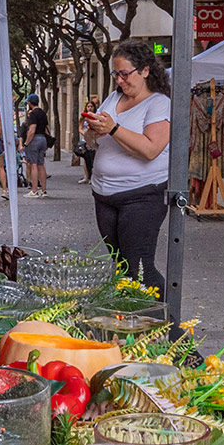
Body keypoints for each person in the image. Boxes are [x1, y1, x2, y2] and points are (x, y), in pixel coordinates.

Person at [82, 42, 173, 292]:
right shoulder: (114, 98)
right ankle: (131, 322)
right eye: (116, 74)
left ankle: (170, 327)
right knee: (122, 267)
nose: (120, 80)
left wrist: (113, 128)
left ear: (144, 71)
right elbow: (96, 142)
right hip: (104, 195)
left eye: (125, 74)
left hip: (141, 196)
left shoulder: (159, 104)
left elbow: (150, 149)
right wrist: (91, 133)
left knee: (140, 267)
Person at [18, 98, 54, 197]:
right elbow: (46, 130)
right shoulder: (43, 113)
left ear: (30, 103)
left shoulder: (33, 114)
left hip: (35, 140)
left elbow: (32, 130)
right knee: (41, 165)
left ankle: (34, 190)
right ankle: (44, 190)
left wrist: (26, 143)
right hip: (43, 139)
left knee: (33, 165)